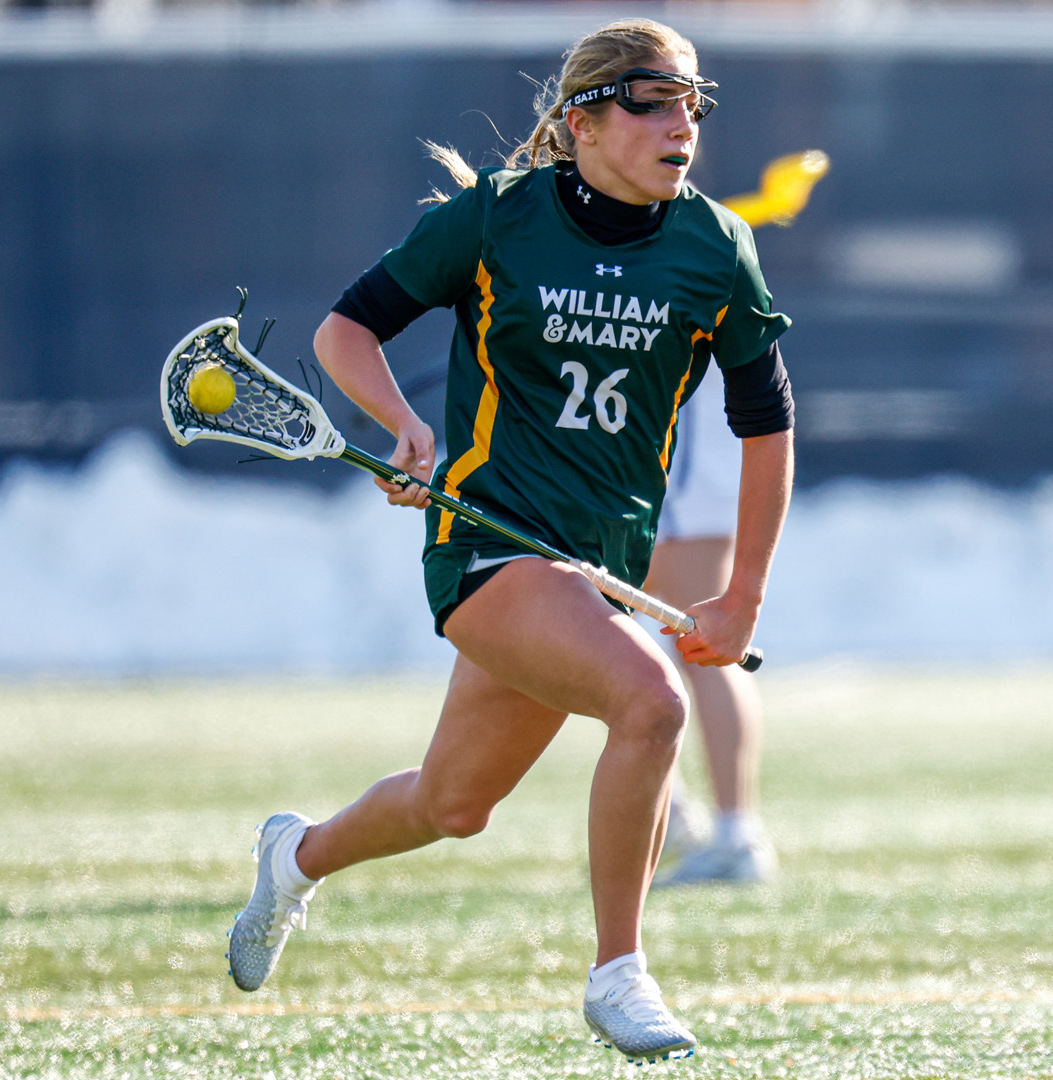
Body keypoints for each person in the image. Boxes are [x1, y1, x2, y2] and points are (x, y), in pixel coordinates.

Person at [221, 19, 796, 1065]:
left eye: (693, 105)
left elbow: (768, 424)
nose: (683, 127)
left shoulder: (715, 245)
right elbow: (344, 331)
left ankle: (293, 858)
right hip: (488, 547)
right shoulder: (496, 220)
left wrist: (743, 592)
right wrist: (403, 426)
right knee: (653, 702)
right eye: (653, 102)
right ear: (580, 120)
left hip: (601, 566)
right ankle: (619, 974)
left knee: (454, 805)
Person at [645, 361, 777, 885]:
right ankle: (678, 814)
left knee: (706, 647)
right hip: (682, 467)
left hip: (684, 471)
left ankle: (733, 833)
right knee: (607, 635)